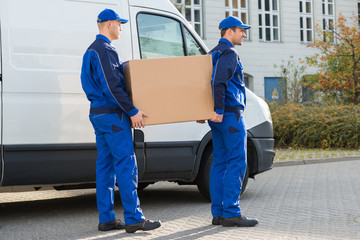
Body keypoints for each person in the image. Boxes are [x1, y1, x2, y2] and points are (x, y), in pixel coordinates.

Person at [80, 8, 161, 233]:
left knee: (105, 167)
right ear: (109, 24)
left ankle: (106, 218)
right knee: (126, 165)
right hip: (114, 117)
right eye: (119, 23)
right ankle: (134, 218)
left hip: (98, 114)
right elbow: (112, 86)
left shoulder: (90, 51)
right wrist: (132, 110)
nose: (121, 27)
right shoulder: (105, 50)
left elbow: (91, 85)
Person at [207, 16, 258, 227]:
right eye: (241, 30)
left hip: (217, 118)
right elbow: (218, 82)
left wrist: (207, 111)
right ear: (229, 32)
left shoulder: (211, 54)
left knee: (219, 161)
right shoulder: (229, 53)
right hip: (229, 116)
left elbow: (203, 85)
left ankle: (218, 213)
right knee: (237, 162)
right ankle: (231, 212)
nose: (244, 34)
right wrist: (218, 110)